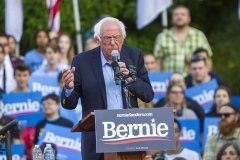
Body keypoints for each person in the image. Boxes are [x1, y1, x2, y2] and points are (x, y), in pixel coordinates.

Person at [61, 17, 154, 160]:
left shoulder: (134, 55)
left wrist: (130, 79)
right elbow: (70, 104)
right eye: (107, 38)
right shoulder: (82, 61)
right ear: (98, 40)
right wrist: (69, 88)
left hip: (130, 135)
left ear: (123, 38)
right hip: (97, 139)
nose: (113, 43)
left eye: (117, 37)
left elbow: (148, 95)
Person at [153, 5, 212, 75]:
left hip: (194, 81)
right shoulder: (162, 37)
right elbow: (157, 62)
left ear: (189, 18)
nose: (179, 17)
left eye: (183, 14)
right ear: (172, 19)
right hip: (170, 81)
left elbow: (208, 60)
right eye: (176, 14)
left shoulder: (199, 36)